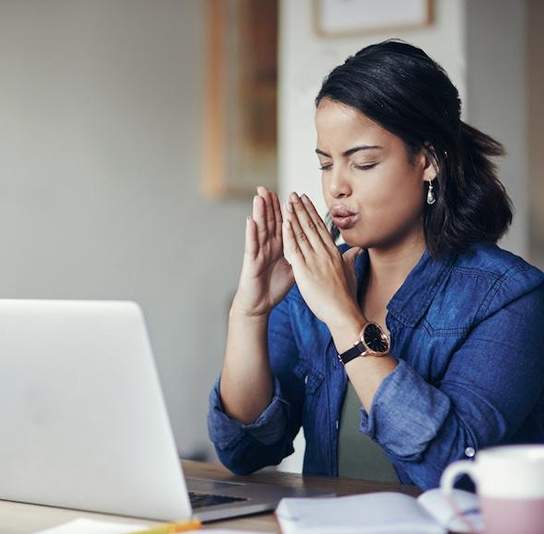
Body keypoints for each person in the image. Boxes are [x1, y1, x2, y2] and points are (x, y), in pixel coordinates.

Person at [207, 39, 544, 490]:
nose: (337, 188)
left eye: (363, 163)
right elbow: (245, 450)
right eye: (327, 165)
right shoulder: (311, 287)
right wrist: (250, 313)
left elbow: (448, 469)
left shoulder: (509, 297)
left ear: (429, 160)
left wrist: (345, 319)